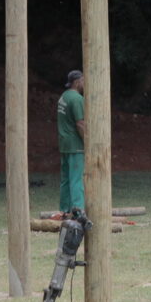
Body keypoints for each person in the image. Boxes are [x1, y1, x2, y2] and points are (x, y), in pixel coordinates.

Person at [56, 69, 86, 215]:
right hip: (75, 146)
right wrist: (87, 142)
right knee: (76, 179)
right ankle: (78, 211)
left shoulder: (64, 96)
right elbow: (80, 124)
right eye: (83, 80)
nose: (85, 84)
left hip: (64, 144)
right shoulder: (77, 99)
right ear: (77, 82)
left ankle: (64, 210)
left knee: (66, 179)